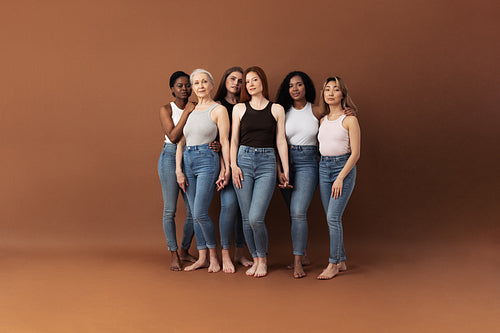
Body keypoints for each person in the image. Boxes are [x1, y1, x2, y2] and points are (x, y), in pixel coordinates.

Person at [231, 66, 290, 278]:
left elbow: (281, 141)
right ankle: (256, 258)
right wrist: (233, 165)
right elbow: (234, 140)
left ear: (262, 82)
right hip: (243, 161)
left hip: (266, 163)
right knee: (247, 218)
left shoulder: (277, 109)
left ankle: (263, 259)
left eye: (254, 80)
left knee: (256, 217)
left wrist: (285, 169)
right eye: (247, 82)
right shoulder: (239, 109)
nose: (250, 84)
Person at [176, 69, 231, 273]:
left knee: (200, 212)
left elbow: (224, 141)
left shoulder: (218, 110)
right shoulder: (189, 110)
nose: (200, 86)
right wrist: (177, 170)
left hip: (207, 160)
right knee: (194, 213)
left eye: (204, 82)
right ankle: (202, 258)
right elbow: (181, 142)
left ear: (211, 84)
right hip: (187, 161)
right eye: (196, 82)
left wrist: (226, 167)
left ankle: (214, 257)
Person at [275, 71, 321, 278]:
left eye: (299, 85)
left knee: (298, 211)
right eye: (291, 85)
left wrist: (349, 112)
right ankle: (303, 255)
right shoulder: (282, 112)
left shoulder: (318, 111)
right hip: (286, 164)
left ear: (306, 87)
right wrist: (280, 169)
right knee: (294, 212)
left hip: (308, 163)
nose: (294, 89)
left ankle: (297, 263)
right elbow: (274, 142)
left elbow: (335, 122)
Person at [316, 76, 360, 280]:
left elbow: (356, 153)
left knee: (333, 217)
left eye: (335, 89)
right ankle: (341, 260)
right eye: (327, 89)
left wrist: (341, 177)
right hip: (323, 167)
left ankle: (332, 263)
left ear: (343, 93)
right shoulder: (322, 120)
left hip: (343, 169)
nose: (331, 93)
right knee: (330, 217)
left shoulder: (350, 119)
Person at [213, 67, 253, 273]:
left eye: (241, 80)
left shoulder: (248, 105)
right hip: (226, 163)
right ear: (225, 80)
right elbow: (218, 140)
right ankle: (225, 254)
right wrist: (225, 166)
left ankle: (240, 253)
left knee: (242, 210)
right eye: (233, 79)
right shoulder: (217, 105)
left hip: (246, 162)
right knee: (229, 206)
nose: (236, 83)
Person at [158, 71, 197, 271]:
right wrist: (187, 113)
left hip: (190, 156)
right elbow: (173, 136)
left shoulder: (197, 107)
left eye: (188, 85)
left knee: (194, 211)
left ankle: (184, 249)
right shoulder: (166, 109)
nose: (184, 89)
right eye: (180, 86)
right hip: (169, 157)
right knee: (170, 210)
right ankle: (173, 253)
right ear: (172, 89)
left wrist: (215, 144)